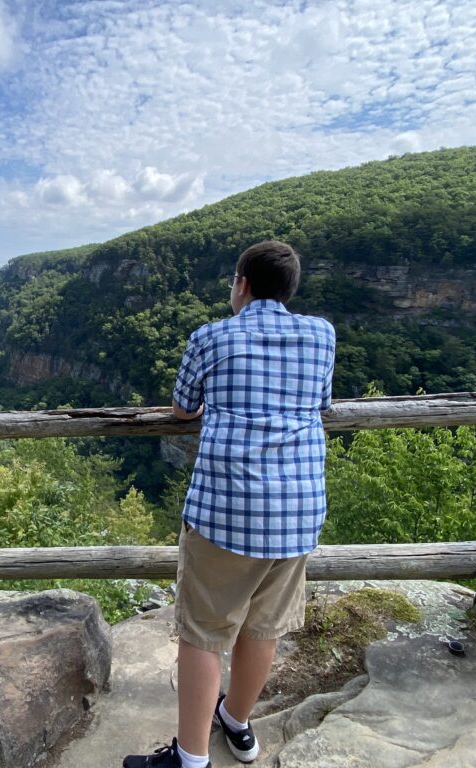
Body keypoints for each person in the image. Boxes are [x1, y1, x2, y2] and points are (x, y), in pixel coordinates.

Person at [123, 240, 335, 768]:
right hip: (296, 513)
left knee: (202, 633)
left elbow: (181, 408)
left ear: (241, 283)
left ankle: (190, 759)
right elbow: (323, 403)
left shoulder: (211, 337)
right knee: (264, 627)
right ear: (290, 289)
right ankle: (237, 724)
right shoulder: (321, 335)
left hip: (226, 511)